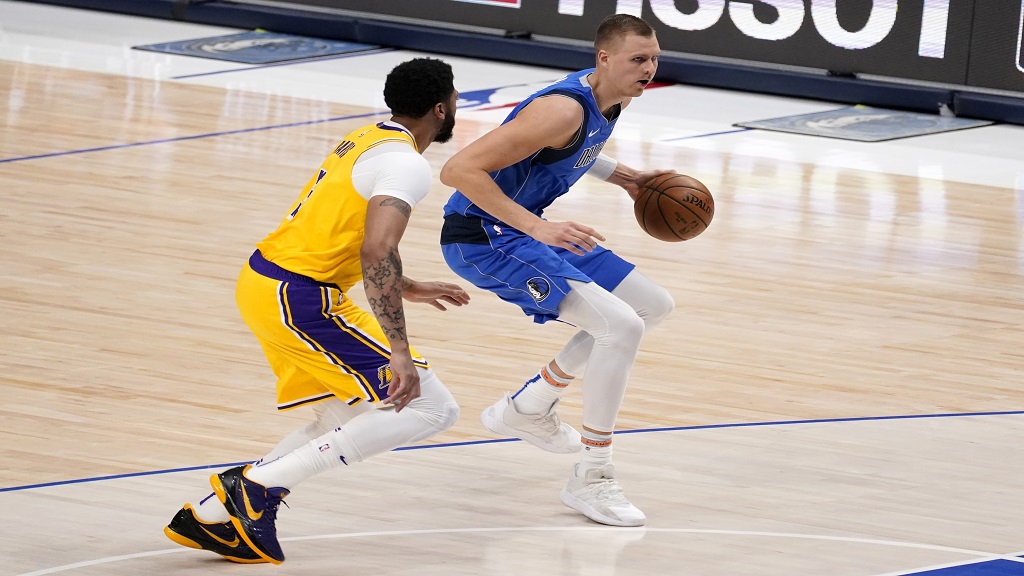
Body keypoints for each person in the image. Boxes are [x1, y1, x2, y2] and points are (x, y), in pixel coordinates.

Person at [163, 57, 468, 565]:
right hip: (300, 297)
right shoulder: (408, 164)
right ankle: (257, 487)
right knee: (428, 406)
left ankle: (212, 517)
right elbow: (376, 250)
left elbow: (336, 229)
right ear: (441, 107)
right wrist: (399, 350)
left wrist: (406, 284)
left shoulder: (368, 136)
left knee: (348, 411)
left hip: (272, 281)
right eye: (455, 97)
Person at [438, 14, 674, 528]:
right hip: (484, 237)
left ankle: (531, 404)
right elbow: (457, 170)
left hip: (524, 229)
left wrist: (628, 178)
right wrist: (537, 229)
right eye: (639, 59)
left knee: (652, 306)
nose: (650, 68)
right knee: (622, 325)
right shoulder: (562, 108)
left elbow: (569, 153)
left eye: (655, 58)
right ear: (604, 58)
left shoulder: (608, 100)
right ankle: (593, 475)